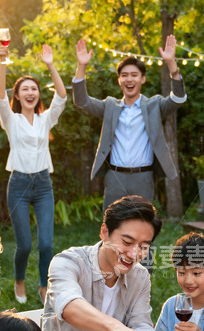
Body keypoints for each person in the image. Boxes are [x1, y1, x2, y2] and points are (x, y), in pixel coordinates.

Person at [73, 35, 186, 210]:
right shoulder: (110, 106)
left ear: (143, 79)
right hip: (115, 177)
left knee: (142, 227)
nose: (129, 79)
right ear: (119, 80)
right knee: (111, 229)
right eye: (124, 75)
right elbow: (82, 101)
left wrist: (171, 63)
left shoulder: (154, 105)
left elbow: (178, 98)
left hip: (143, 178)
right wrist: (82, 66)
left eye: (134, 75)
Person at [45, 195, 161, 331]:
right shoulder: (68, 262)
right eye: (127, 242)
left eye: (143, 247)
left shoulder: (140, 276)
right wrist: (114, 326)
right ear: (104, 232)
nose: (134, 254)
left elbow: (142, 323)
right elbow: (68, 305)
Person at [0, 43, 66, 305]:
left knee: (46, 244)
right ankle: (19, 280)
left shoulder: (45, 119)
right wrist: (3, 62)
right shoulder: (10, 120)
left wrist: (50, 64)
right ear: (18, 94)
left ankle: (44, 286)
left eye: (34, 88)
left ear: (38, 95)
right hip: (19, 185)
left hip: (43, 185)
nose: (30, 92)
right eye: (24, 88)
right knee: (24, 244)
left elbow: (61, 97)